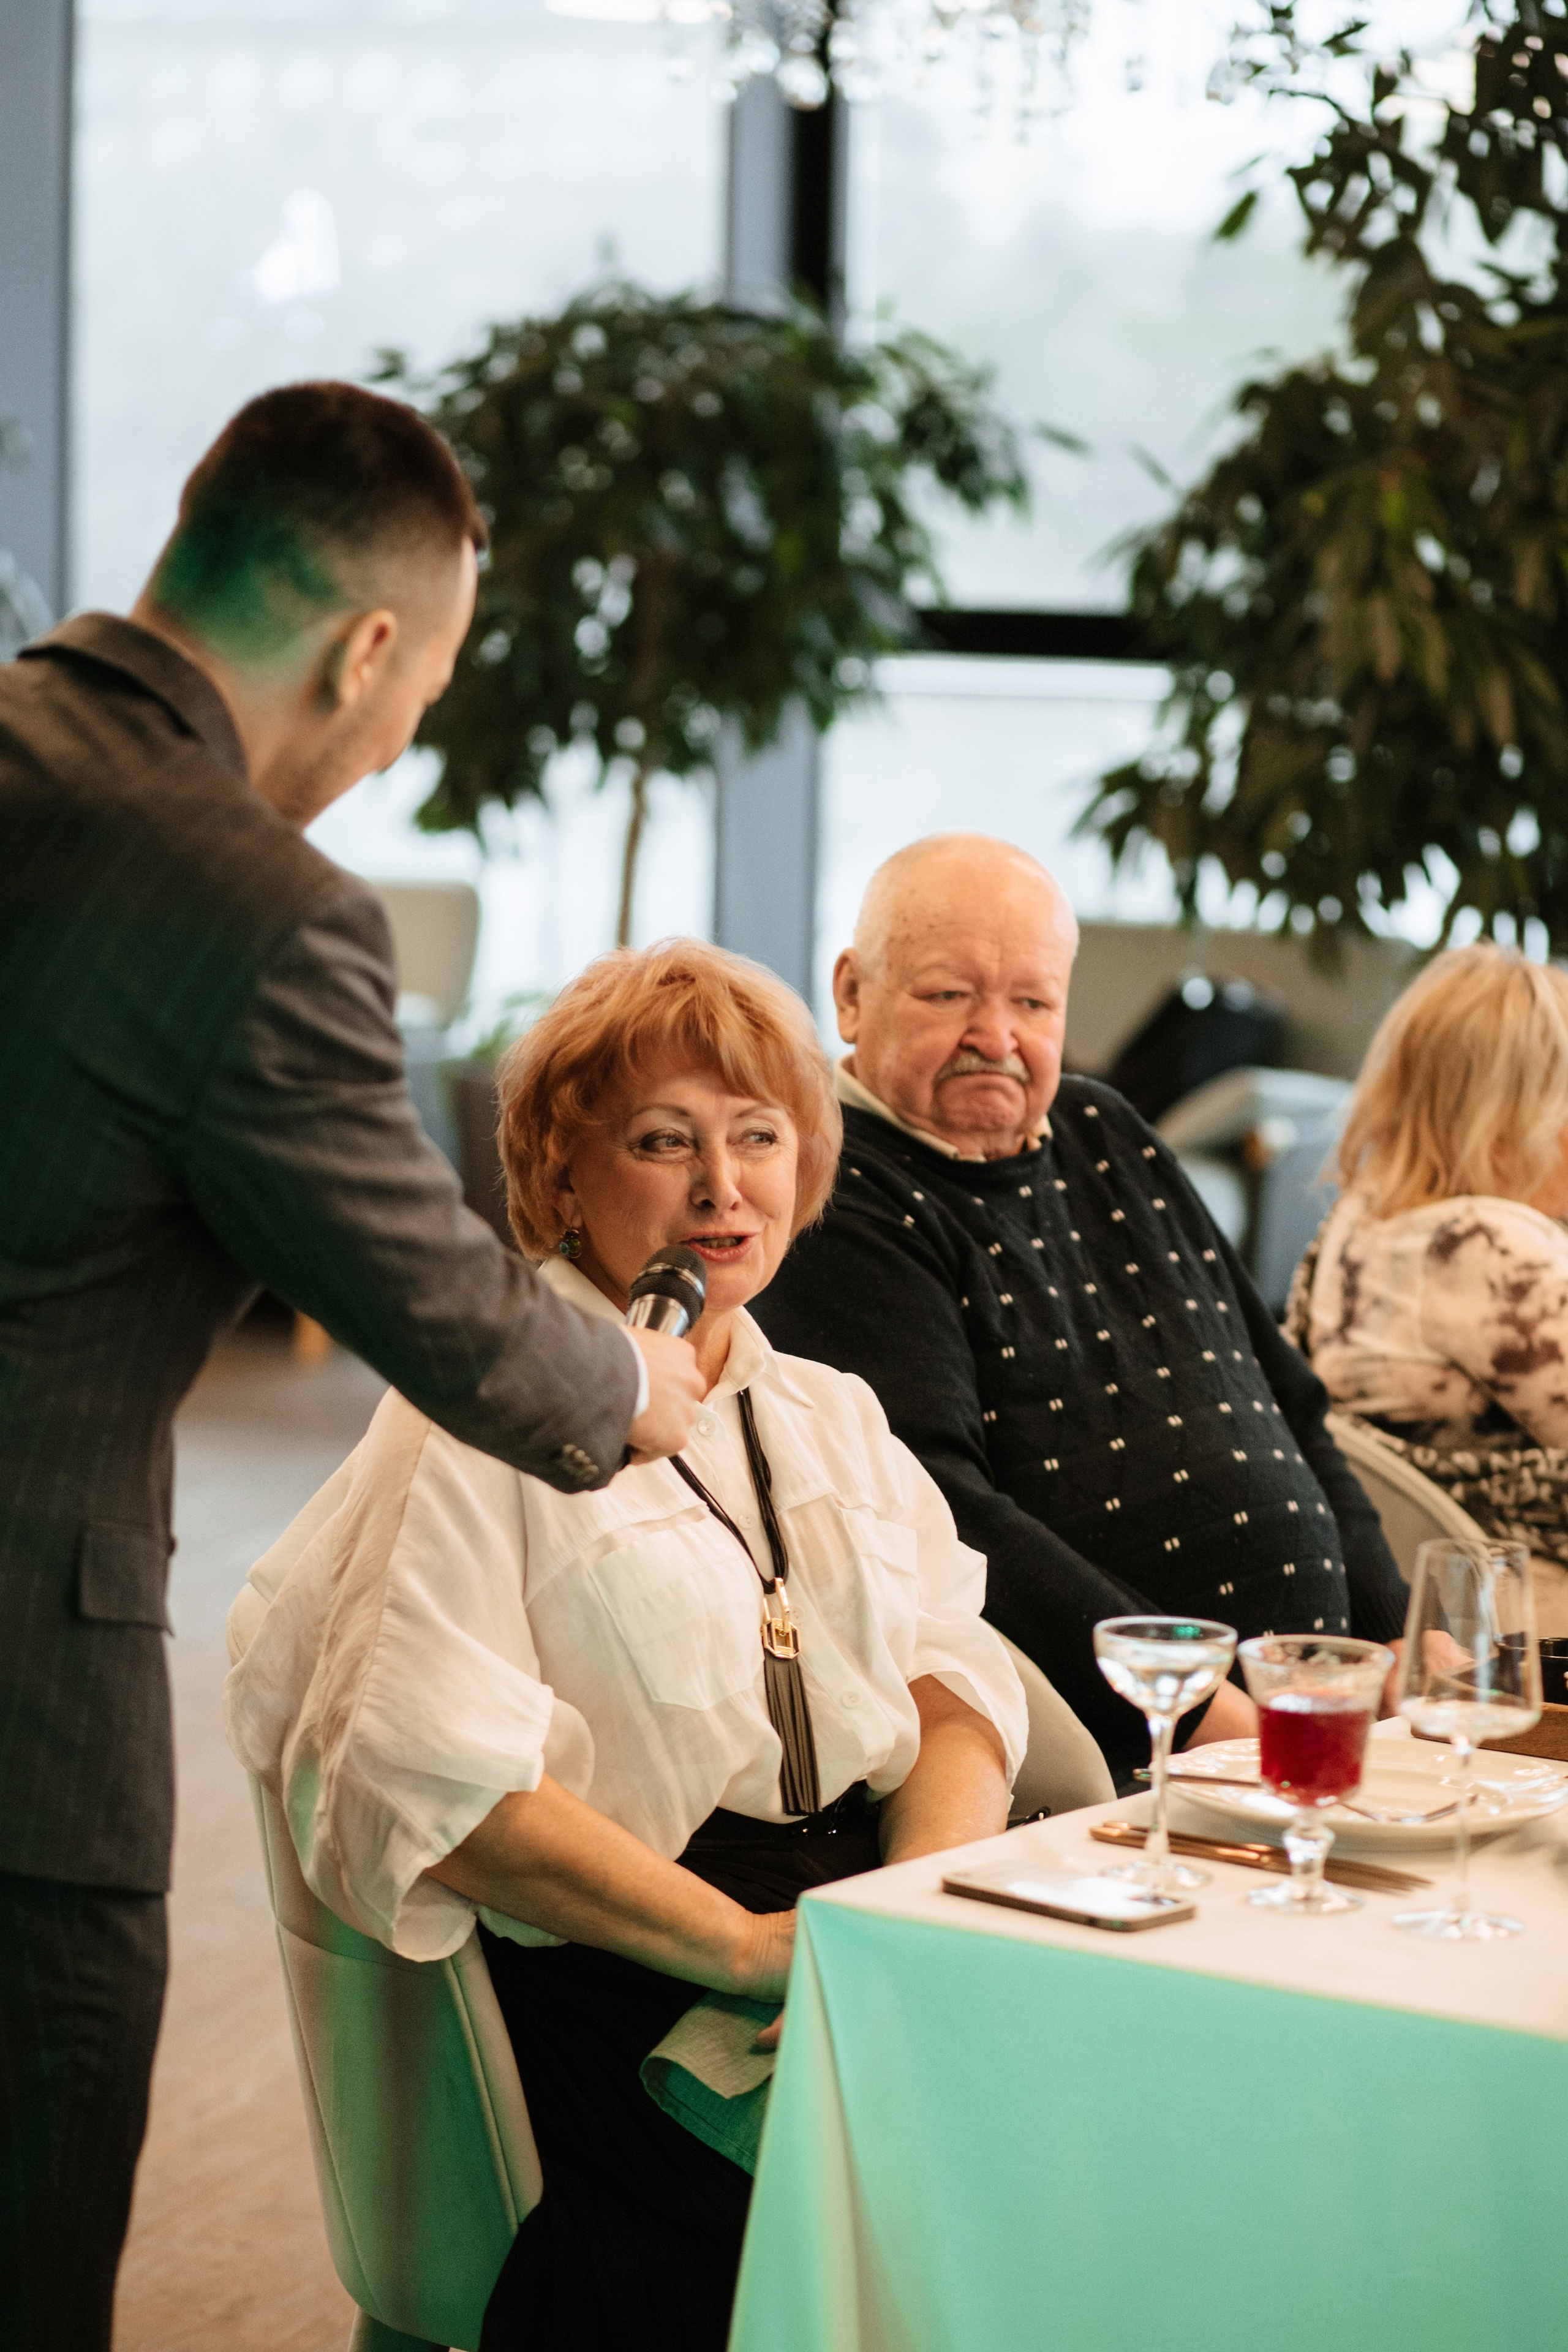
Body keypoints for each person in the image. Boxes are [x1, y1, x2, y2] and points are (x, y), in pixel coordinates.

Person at [0, 382, 703, 2351]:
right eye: (423, 693)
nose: (400, 742)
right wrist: (635, 1387)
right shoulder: (249, 901)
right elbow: (434, 1297)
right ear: (365, 644)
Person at [225, 938, 1026, 2352]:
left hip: (845, 1933)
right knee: (972, 2202)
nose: (723, 1188)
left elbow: (952, 1678)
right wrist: (742, 1946)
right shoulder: (482, 1425)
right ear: (559, 1170)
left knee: (1103, 2104)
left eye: (758, 1137)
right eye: (665, 1140)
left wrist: (891, 1929)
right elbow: (428, 1778)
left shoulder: (829, 1409)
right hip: (632, 1967)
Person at [752, 834, 1409, 1784]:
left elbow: (1292, 1407)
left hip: (1314, 1708)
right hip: (1139, 1742)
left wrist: (1386, 1644)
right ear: (851, 994)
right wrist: (1198, 1707)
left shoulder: (1108, 1130)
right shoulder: (832, 1188)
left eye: (1032, 1001)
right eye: (947, 995)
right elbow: (943, 1508)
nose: (997, 1037)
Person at [1288, 942, 1568, 1612]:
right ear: (1506, 1125)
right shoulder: (1490, 1249)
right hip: (1526, 1609)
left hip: (1418, 1590)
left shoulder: (1360, 1221)